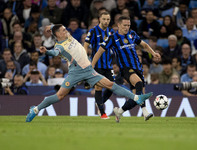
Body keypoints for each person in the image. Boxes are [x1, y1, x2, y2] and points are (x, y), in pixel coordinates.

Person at [25, 24, 153, 122]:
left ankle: (137, 97)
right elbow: (54, 53)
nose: (66, 30)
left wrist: (51, 27)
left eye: (65, 29)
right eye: (63, 30)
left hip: (89, 70)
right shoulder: (60, 46)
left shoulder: (68, 36)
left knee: (109, 84)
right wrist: (47, 51)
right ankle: (35, 109)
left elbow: (56, 29)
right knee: (60, 96)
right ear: (58, 34)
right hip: (76, 72)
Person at [91, 16, 160, 122]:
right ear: (118, 25)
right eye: (124, 25)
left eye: (128, 25)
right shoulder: (112, 38)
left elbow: (144, 45)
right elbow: (100, 51)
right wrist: (91, 66)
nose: (127, 27)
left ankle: (119, 112)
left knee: (137, 97)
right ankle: (145, 112)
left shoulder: (132, 34)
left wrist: (153, 53)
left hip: (138, 68)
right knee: (138, 84)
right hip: (126, 69)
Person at [84, 12, 115, 119]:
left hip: (108, 65)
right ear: (99, 19)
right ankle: (102, 113)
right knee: (98, 87)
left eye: (108, 19)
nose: (106, 21)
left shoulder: (111, 31)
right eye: (104, 19)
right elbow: (86, 44)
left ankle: (100, 103)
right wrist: (85, 59)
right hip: (97, 64)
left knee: (112, 87)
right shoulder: (93, 31)